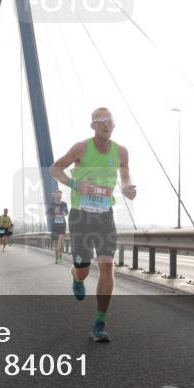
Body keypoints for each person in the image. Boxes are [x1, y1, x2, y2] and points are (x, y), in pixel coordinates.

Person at [50, 107, 136, 342]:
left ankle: (99, 322)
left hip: (104, 216)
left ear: (114, 125)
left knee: (107, 265)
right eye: (100, 120)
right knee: (84, 268)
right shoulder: (81, 148)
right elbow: (55, 168)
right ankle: (76, 277)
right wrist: (75, 185)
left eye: (109, 120)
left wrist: (127, 187)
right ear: (93, 125)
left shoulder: (121, 152)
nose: (105, 124)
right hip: (80, 216)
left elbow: (125, 175)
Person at [49, 189, 69, 264]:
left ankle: (60, 256)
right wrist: (54, 212)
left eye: (60, 196)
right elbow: (49, 213)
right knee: (55, 243)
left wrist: (64, 213)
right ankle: (57, 258)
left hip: (62, 225)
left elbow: (67, 212)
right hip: (54, 225)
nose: (59, 197)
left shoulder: (64, 204)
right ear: (55, 195)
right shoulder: (52, 204)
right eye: (58, 195)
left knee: (60, 242)